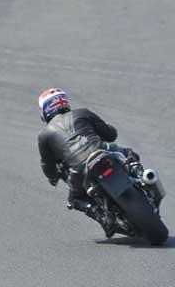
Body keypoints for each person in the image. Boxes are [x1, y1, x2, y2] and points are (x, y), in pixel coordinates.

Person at [37, 88, 138, 237]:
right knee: (129, 154)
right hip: (104, 150)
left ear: (45, 110)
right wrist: (110, 130)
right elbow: (110, 134)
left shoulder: (44, 135)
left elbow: (47, 164)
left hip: (79, 168)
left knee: (75, 198)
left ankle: (103, 218)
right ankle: (143, 178)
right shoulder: (83, 113)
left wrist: (53, 177)